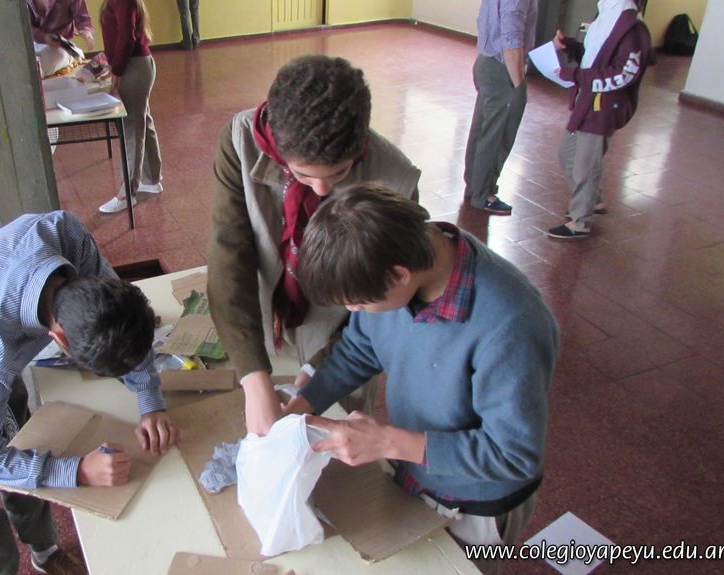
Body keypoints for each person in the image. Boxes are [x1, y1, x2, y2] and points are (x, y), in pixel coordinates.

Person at [0, 210, 180, 575]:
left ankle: (45, 551)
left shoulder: (65, 234)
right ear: (60, 340)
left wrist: (150, 402)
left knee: (25, 442)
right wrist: (77, 472)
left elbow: (123, 321)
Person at [288, 185, 559, 575]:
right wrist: (302, 404)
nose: (353, 310)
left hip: (475, 503)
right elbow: (360, 347)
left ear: (399, 276)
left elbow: (512, 455)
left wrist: (387, 442)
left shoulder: (510, 324)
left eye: (358, 302)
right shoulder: (398, 264)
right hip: (413, 470)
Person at [206, 55, 422, 436]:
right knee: (261, 413)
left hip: (343, 337)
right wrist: (254, 379)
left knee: (336, 434)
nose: (322, 189)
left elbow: (383, 304)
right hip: (263, 322)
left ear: (361, 142)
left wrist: (323, 368)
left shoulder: (395, 180)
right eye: (303, 174)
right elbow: (229, 260)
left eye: (341, 172)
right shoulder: (240, 142)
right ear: (278, 142)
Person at [546, 0, 653, 239]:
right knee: (567, 154)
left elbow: (624, 74)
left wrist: (575, 75)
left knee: (585, 164)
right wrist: (571, 47)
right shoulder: (605, 11)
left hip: (602, 106)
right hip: (587, 100)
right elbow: (597, 56)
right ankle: (593, 200)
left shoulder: (631, 26)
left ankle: (580, 220)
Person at [463, 0, 538, 216]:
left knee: (482, 131)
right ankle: (483, 193)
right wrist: (519, 85)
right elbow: (511, 38)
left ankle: (475, 187)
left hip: (487, 62)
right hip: (502, 68)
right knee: (497, 135)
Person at [97, 0, 164, 214]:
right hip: (136, 64)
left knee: (132, 127)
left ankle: (127, 193)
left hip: (133, 67)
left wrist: (117, 70)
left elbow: (126, 37)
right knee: (142, 119)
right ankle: (151, 179)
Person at [27, 0, 95, 50]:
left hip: (62, 46)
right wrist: (44, 37)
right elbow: (27, 27)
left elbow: (83, 19)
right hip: (34, 46)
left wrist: (87, 33)